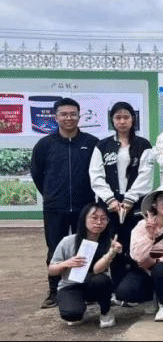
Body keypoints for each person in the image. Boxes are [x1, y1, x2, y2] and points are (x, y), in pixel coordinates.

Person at [32, 97, 100, 308]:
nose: (68, 118)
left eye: (73, 114)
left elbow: (97, 173)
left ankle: (85, 289)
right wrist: (52, 194)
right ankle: (54, 291)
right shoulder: (45, 145)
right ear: (56, 117)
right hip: (55, 207)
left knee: (85, 246)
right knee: (55, 248)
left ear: (79, 116)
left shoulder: (91, 143)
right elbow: (37, 175)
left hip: (84, 206)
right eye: (64, 114)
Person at [89, 101, 153, 286]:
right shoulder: (102, 145)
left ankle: (136, 285)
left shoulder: (143, 144)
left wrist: (130, 198)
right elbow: (96, 175)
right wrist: (110, 199)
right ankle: (116, 286)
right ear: (112, 120)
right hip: (110, 204)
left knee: (135, 241)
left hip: (135, 203)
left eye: (126, 117)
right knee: (113, 242)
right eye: (118, 117)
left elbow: (146, 175)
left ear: (133, 119)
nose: (122, 121)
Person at [118, 185, 163, 321]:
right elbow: (136, 256)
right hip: (144, 272)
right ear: (154, 204)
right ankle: (151, 297)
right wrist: (149, 236)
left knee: (161, 269)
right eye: (162, 199)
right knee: (124, 291)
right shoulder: (141, 226)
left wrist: (158, 261)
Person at [47, 203, 119, 328]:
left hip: (95, 284)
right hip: (71, 285)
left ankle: (106, 312)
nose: (99, 222)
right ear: (84, 219)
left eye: (103, 219)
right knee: (71, 315)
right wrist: (66, 263)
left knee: (101, 280)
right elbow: (52, 270)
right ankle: (78, 306)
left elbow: (97, 270)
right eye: (94, 218)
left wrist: (111, 253)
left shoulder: (110, 243)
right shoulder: (68, 241)